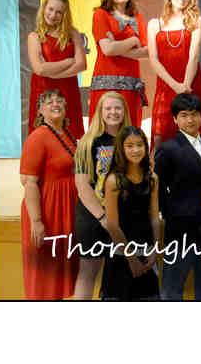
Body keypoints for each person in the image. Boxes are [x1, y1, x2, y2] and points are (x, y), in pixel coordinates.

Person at [154, 93, 201, 300]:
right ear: (175, 119)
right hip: (180, 227)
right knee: (172, 286)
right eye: (184, 115)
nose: (190, 120)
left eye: (194, 114)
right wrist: (168, 213)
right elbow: (158, 187)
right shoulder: (168, 148)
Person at [19, 90, 79, 299]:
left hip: (66, 210)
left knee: (61, 274)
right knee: (45, 278)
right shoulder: (38, 137)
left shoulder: (67, 134)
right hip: (47, 211)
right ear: (40, 111)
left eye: (59, 100)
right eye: (49, 101)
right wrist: (36, 221)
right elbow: (29, 182)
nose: (55, 104)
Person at [73, 91, 131, 299]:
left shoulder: (132, 140)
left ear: (124, 111)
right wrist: (103, 218)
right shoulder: (87, 143)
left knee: (118, 272)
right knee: (88, 272)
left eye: (117, 108)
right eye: (108, 108)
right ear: (100, 112)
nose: (113, 112)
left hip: (122, 217)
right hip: (93, 217)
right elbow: (82, 185)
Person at [101, 126, 160, 300]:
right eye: (130, 146)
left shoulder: (152, 178)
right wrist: (131, 259)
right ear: (121, 149)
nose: (135, 150)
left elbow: (154, 217)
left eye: (139, 145)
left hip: (146, 250)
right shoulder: (114, 180)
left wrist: (156, 249)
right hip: (121, 252)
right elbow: (112, 225)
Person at [147, 0, 201, 151]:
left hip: (190, 84)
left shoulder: (196, 20)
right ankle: (157, 167)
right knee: (160, 134)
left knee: (189, 131)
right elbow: (153, 59)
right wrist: (175, 86)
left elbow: (194, 56)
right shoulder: (154, 24)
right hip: (166, 86)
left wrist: (185, 86)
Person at [89, 0, 148, 129]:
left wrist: (116, 45)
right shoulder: (100, 14)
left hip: (131, 85)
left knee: (129, 133)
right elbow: (108, 50)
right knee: (103, 131)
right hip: (106, 84)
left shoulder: (137, 17)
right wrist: (133, 41)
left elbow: (146, 51)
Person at [27, 0, 86, 139]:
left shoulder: (72, 33)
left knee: (69, 136)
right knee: (44, 137)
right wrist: (68, 62)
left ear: (65, 15)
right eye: (51, 9)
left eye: (59, 12)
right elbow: (40, 69)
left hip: (68, 92)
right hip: (44, 92)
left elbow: (81, 64)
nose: (53, 15)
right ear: (44, 8)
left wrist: (54, 73)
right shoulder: (35, 36)